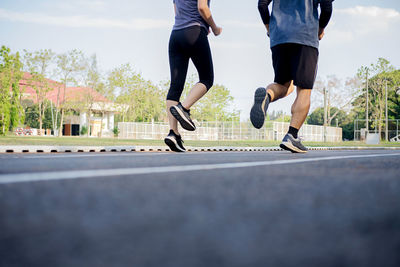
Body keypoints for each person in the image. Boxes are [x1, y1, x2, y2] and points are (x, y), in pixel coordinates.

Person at [251, 0, 334, 153]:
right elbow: (327, 6)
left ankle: (267, 96)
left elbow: (262, 4)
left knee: (283, 85)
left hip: (279, 38)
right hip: (305, 35)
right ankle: (292, 136)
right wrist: (320, 29)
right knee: (304, 90)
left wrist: (269, 28)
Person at [164, 0, 222, 152]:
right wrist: (214, 28)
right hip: (194, 32)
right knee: (207, 78)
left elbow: (177, 11)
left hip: (175, 35)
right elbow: (202, 7)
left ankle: (173, 134)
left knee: (175, 86)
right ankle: (184, 107)